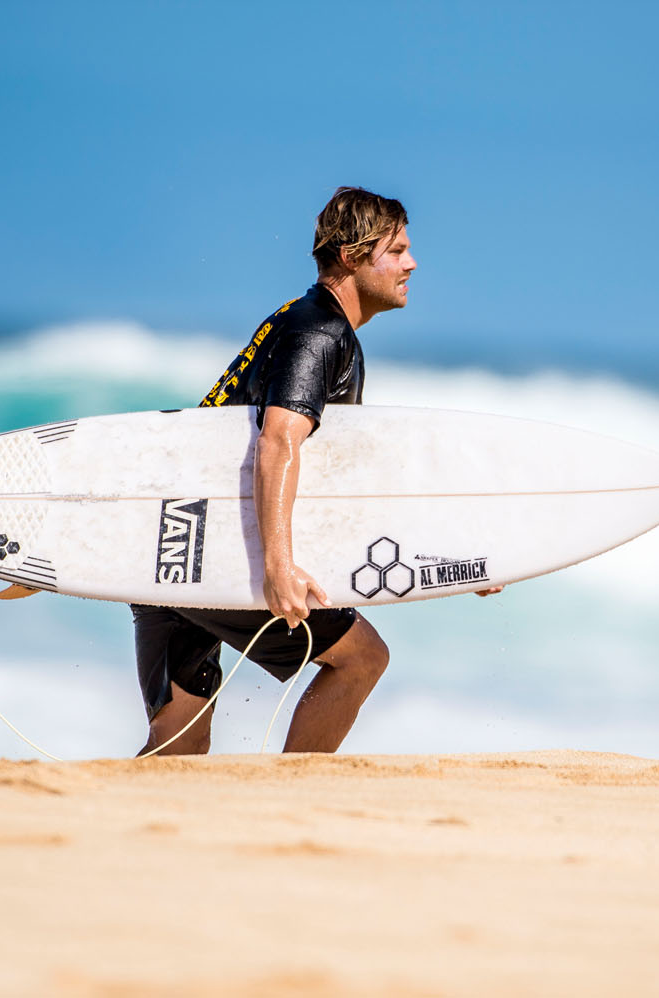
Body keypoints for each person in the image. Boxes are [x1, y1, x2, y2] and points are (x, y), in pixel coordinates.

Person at [130, 186, 417, 756]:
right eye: (397, 250)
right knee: (361, 659)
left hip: (173, 543)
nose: (411, 264)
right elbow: (279, 442)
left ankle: (98, 830)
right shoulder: (320, 332)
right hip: (220, 549)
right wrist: (279, 567)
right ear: (351, 256)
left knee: (179, 744)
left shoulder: (294, 320)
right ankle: (294, 796)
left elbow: (330, 484)